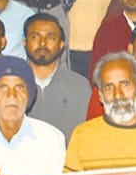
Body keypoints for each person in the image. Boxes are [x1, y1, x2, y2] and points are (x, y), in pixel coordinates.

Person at [23, 13, 91, 141]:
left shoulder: (79, 86)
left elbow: (84, 135)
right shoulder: (11, 84)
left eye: (51, 38)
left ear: (61, 45)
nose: (42, 43)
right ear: (24, 42)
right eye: (35, 37)